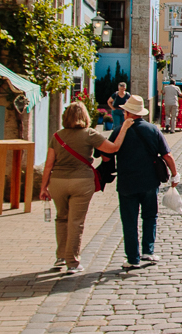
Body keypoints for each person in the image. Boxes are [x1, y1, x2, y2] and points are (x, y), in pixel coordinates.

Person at [40, 102, 132, 274]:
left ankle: (60, 256)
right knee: (76, 222)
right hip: (81, 182)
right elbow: (113, 148)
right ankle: (72, 262)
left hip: (58, 182)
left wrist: (44, 187)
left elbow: (48, 165)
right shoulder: (89, 134)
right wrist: (125, 127)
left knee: (61, 218)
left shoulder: (57, 136)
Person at [105, 94, 180, 269]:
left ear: (127, 113)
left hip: (127, 182)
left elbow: (107, 154)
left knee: (129, 220)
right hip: (149, 181)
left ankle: (133, 258)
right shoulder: (153, 129)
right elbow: (167, 155)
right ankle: (148, 251)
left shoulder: (118, 131)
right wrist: (175, 175)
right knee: (150, 216)